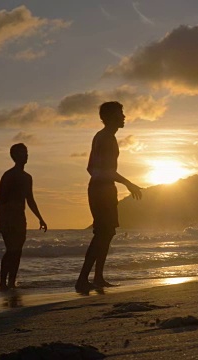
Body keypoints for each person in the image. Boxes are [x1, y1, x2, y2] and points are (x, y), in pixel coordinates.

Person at [75, 102, 142, 293]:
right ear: (111, 116)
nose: (124, 116)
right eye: (121, 113)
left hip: (103, 187)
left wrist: (106, 181)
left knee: (107, 233)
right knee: (102, 233)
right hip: (101, 189)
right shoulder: (105, 138)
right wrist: (128, 183)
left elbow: (91, 168)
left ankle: (97, 277)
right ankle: (82, 280)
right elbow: (106, 170)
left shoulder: (105, 137)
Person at [0, 143, 47, 291]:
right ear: (14, 156)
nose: (25, 155)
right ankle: (2, 283)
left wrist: (40, 218)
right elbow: (1, 200)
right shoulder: (8, 176)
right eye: (22, 153)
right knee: (11, 250)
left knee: (17, 250)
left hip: (20, 218)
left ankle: (12, 282)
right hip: (8, 218)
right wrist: (1, 221)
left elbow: (30, 199)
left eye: (26, 152)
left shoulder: (27, 178)